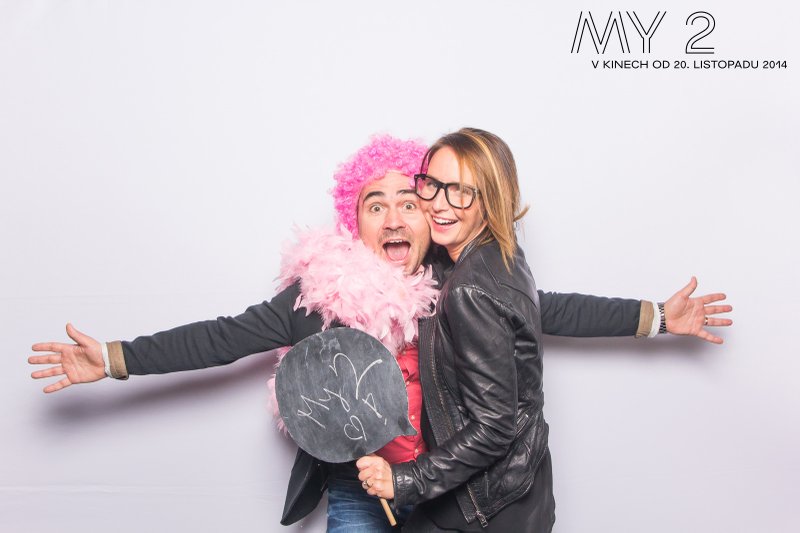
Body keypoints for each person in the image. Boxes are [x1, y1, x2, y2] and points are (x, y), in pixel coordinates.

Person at [29, 135, 731, 532]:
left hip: (445, 494)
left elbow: (549, 310)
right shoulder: (320, 298)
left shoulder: (459, 285)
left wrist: (657, 316)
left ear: (430, 215)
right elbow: (226, 336)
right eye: (375, 205)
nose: (394, 218)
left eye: (407, 201)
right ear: (355, 221)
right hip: (363, 493)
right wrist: (115, 358)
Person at [355, 128, 730, 531]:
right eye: (432, 185)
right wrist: (656, 317)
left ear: (490, 199)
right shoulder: (497, 255)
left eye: (461, 191)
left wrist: (407, 480)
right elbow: (550, 308)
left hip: (482, 509)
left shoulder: (468, 288)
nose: (439, 204)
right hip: (515, 493)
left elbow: (493, 428)